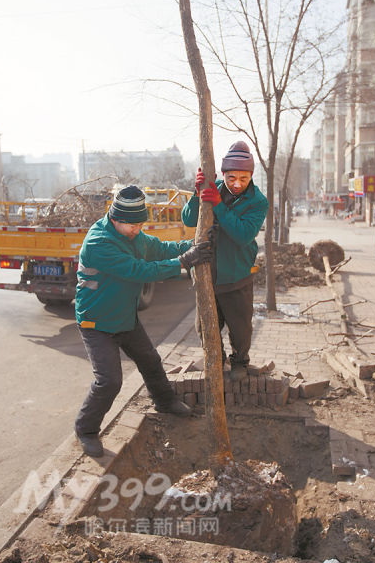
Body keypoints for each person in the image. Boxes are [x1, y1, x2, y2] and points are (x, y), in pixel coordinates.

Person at [75, 185, 212, 457]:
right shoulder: (99, 242)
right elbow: (138, 270)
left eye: (140, 224)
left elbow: (158, 248)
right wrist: (184, 262)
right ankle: (86, 430)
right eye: (132, 225)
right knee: (109, 381)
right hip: (97, 322)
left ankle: (164, 401)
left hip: (124, 315)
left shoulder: (133, 234)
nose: (137, 229)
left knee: (150, 359)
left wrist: (194, 245)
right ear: (115, 218)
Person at [182, 140, 269, 381]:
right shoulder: (214, 188)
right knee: (205, 326)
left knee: (240, 327)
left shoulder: (258, 202)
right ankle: (216, 360)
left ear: (251, 175)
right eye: (231, 178)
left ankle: (240, 361)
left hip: (236, 275)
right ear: (223, 173)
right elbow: (189, 220)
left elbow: (243, 235)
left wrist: (218, 206)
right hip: (206, 274)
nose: (237, 184)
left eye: (243, 178)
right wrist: (197, 193)